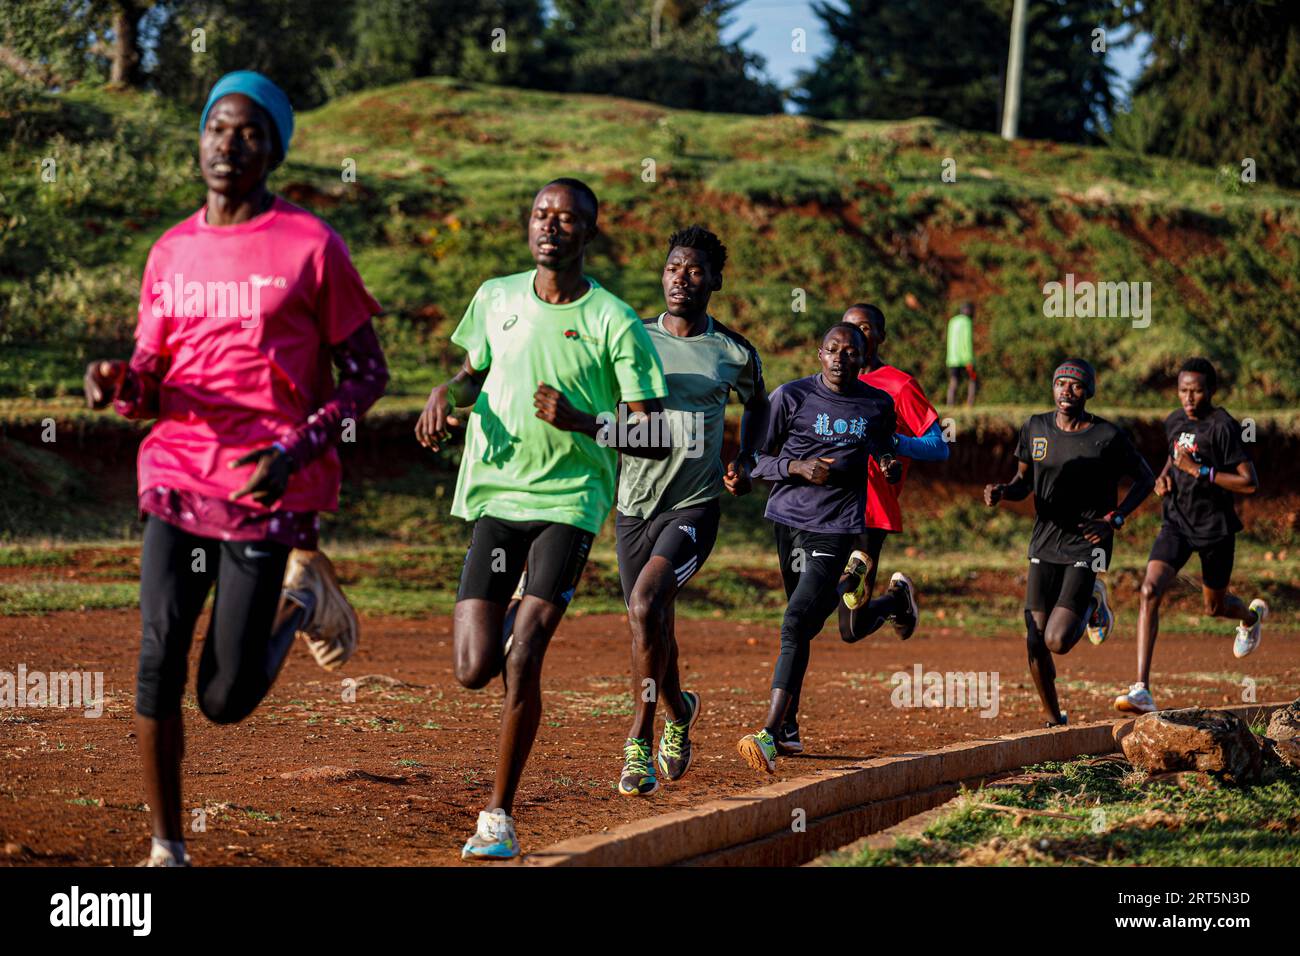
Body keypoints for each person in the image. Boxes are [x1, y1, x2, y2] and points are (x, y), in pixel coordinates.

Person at [82, 71, 387, 867]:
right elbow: (151, 377)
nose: (229, 143)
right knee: (155, 656)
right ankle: (167, 849)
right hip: (177, 475)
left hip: (265, 491)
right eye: (218, 126)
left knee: (224, 697)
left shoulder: (312, 246)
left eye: (250, 131)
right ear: (200, 139)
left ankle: (301, 597)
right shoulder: (171, 250)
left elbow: (366, 376)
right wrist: (122, 384)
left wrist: (292, 452)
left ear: (273, 149)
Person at [415, 178, 668, 860]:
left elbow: (657, 434)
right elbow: (474, 372)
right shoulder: (496, 297)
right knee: (473, 669)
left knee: (523, 656)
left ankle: (496, 818)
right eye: (540, 214)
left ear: (589, 234)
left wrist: (586, 421)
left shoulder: (614, 320)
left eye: (566, 218)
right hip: (498, 496)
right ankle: (523, 603)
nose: (550, 226)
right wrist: (447, 392)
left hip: (570, 504)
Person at [613, 225, 768, 796]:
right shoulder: (631, 338)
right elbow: (609, 407)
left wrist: (746, 458)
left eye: (696, 270)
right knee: (651, 622)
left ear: (715, 281)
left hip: (693, 506)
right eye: (675, 267)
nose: (683, 277)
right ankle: (679, 709)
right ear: (663, 274)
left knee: (645, 603)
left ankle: (639, 742)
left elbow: (760, 405)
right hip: (632, 505)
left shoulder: (733, 351)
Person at [736, 324, 900, 774]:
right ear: (819, 353)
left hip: (836, 526)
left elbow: (882, 442)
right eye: (833, 350)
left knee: (794, 621)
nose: (840, 359)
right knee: (804, 622)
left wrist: (886, 461)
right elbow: (757, 460)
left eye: (851, 352)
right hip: (788, 520)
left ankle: (768, 734)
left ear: (863, 358)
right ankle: (789, 729)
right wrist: (797, 466)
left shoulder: (876, 403)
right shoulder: (791, 397)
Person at [983, 359, 1154, 726]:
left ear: (1088, 391)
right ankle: (1053, 717)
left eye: (1076, 385)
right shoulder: (1036, 427)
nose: (1067, 391)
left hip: (1089, 542)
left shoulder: (1106, 437)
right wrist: (1002, 491)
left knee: (1057, 640)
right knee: (1034, 638)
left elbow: (1146, 479)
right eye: (1060, 383)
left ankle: (1094, 601)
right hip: (1044, 541)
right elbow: (1023, 482)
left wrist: (1116, 518)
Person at [1115, 358, 1266, 714]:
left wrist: (1201, 471)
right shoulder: (1175, 420)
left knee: (1214, 608)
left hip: (1215, 528)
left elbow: (1249, 481)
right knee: (1150, 589)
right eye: (1183, 390)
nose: (1189, 397)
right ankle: (1141, 689)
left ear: (1210, 391)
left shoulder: (1223, 426)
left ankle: (1250, 618)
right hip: (1177, 522)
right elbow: (1172, 457)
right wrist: (1163, 477)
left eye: (1196, 390)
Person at [946, 301, 977, 407]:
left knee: (954, 380)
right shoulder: (967, 322)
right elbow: (966, 342)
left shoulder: (952, 321)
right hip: (965, 358)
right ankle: (970, 403)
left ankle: (950, 403)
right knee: (973, 378)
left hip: (952, 358)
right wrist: (969, 359)